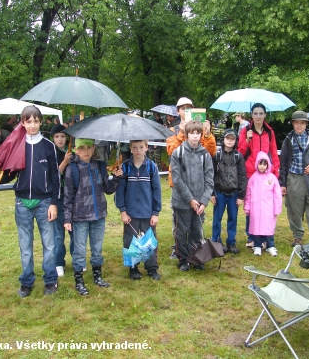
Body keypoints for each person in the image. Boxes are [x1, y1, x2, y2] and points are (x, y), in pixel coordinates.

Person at [0, 106, 61, 298]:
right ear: (22, 123)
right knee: (25, 246)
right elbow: (10, 172)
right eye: (28, 121)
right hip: (22, 203)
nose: (32, 125)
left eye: (36, 121)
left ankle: (50, 280)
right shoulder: (16, 145)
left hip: (45, 203)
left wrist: (54, 202)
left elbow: (55, 177)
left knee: (49, 245)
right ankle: (27, 281)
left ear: (41, 122)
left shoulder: (48, 146)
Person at [63, 138, 123, 296]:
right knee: (80, 249)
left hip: (99, 215)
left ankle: (97, 276)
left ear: (94, 148)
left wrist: (116, 178)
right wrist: (67, 219)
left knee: (97, 248)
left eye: (89, 147)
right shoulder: (72, 169)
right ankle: (79, 280)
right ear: (76, 149)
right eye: (82, 148)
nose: (86, 151)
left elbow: (107, 189)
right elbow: (68, 196)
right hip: (80, 217)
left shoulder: (100, 166)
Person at [166, 97, 216, 259]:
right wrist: (181, 134)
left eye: (189, 108)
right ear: (178, 111)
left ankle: (195, 253)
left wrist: (207, 135)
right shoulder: (174, 130)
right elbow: (170, 150)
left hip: (198, 185)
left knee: (197, 224)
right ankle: (179, 250)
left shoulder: (199, 128)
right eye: (183, 108)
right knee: (180, 223)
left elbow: (209, 152)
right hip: (179, 183)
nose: (185, 111)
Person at [279, 110, 309, 249]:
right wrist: (282, 183)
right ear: (293, 124)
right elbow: (283, 163)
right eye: (297, 123)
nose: (299, 126)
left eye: (302, 123)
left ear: (306, 124)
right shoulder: (288, 140)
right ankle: (297, 237)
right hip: (294, 178)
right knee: (294, 210)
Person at [115, 140, 162, 280]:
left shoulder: (151, 167)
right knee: (130, 240)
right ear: (130, 149)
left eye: (141, 147)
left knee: (150, 240)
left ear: (146, 148)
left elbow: (157, 191)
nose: (138, 150)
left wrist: (155, 213)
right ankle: (133, 267)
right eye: (134, 147)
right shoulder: (125, 168)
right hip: (130, 213)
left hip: (148, 213)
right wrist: (123, 211)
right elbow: (120, 191)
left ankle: (151, 267)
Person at [237, 103, 280, 248]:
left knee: (266, 205)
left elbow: (273, 152)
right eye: (255, 113)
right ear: (251, 115)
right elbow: (240, 153)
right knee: (253, 205)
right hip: (250, 173)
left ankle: (265, 236)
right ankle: (252, 236)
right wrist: (247, 140)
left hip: (267, 174)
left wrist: (275, 170)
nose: (258, 116)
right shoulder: (245, 131)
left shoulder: (270, 132)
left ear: (265, 115)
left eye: (261, 113)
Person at [210, 129, 247, 254]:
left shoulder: (238, 156)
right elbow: (211, 175)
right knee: (217, 219)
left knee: (233, 219)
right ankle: (215, 241)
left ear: (236, 141)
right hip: (219, 192)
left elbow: (242, 176)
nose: (230, 141)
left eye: (232, 139)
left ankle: (231, 242)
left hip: (233, 194)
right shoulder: (217, 155)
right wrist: (212, 193)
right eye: (227, 138)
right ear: (223, 140)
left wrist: (241, 195)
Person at [245, 152, 282, 256]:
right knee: (256, 227)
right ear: (257, 164)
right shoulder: (253, 178)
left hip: (268, 208)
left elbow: (277, 194)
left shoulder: (272, 178)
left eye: (264, 164)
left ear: (268, 165)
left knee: (268, 227)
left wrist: (277, 208)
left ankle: (270, 245)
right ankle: (257, 245)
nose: (262, 166)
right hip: (255, 207)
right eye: (260, 164)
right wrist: (247, 207)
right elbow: (248, 193)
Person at [50, 124, 74, 277]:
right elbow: (54, 175)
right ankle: (59, 263)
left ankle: (77, 258)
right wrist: (64, 162)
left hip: (72, 197)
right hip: (58, 197)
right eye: (57, 137)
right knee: (58, 234)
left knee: (74, 231)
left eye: (63, 136)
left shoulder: (72, 151)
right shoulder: (51, 153)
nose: (60, 139)